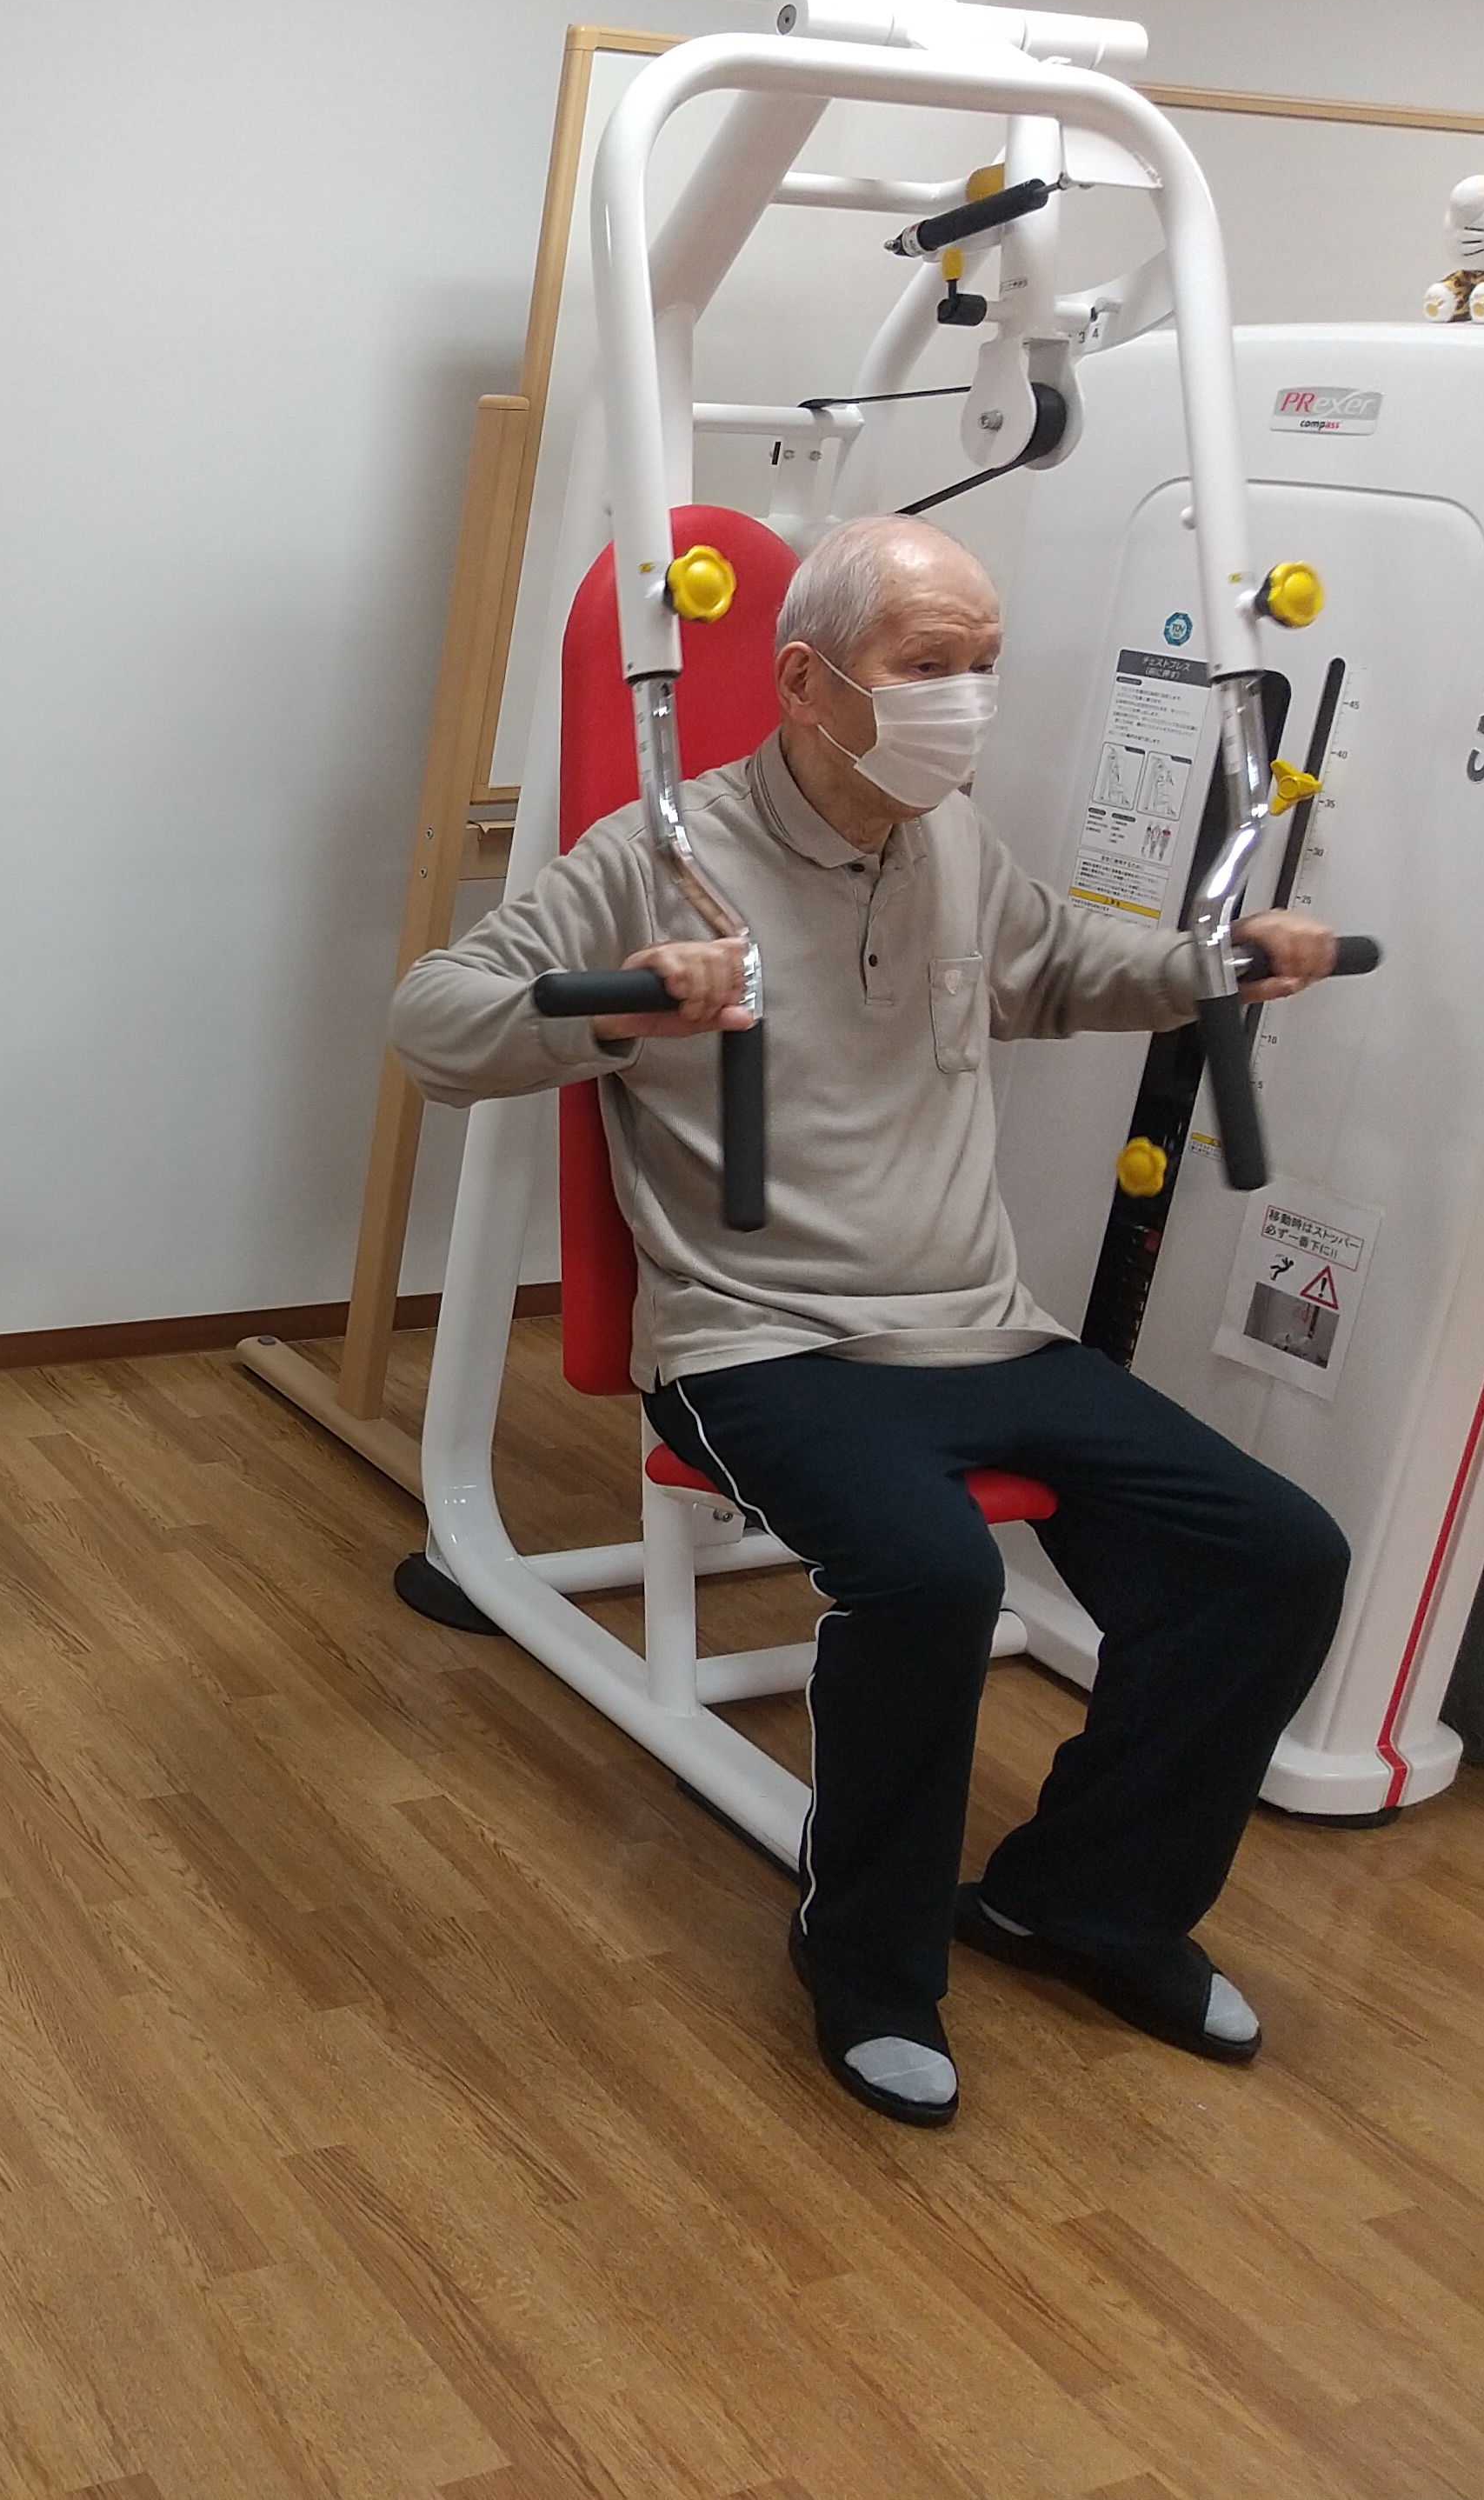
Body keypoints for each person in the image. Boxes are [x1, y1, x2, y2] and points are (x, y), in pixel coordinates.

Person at [387, 513, 1349, 2128]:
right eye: (929, 665)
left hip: (984, 1327)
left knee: (1276, 1555)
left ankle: (1088, 1906)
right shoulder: (658, 852)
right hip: (763, 1341)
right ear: (806, 682)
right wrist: (625, 1008)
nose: (966, 700)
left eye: (984, 665)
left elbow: (1060, 970)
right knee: (930, 1575)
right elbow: (433, 1024)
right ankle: (872, 1965)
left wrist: (1214, 964)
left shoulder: (953, 841)